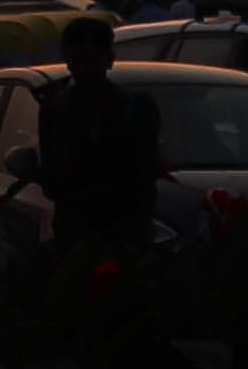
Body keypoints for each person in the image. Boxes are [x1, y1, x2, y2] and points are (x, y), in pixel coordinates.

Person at [34, 18, 161, 258]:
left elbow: (146, 174)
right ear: (68, 62)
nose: (86, 70)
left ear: (109, 60)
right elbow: (51, 176)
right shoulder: (54, 109)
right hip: (75, 235)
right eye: (78, 61)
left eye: (92, 61)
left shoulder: (138, 108)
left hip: (124, 236)